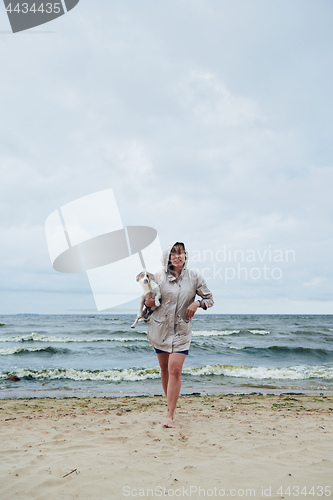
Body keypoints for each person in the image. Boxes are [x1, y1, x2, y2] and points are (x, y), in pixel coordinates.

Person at [145, 242, 214, 428]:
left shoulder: (194, 276)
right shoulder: (157, 276)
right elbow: (148, 302)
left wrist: (197, 304)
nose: (178, 256)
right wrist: (149, 301)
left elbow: (209, 299)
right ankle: (171, 407)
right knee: (164, 369)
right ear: (168, 257)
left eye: (181, 253)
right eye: (173, 253)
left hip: (182, 330)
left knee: (175, 369)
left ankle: (170, 414)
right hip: (160, 328)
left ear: (185, 255)